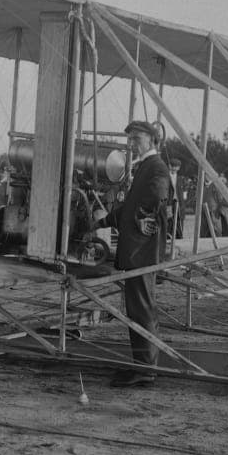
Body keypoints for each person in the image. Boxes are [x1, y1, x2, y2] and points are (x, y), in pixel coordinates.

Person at [95, 120, 171, 387]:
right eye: (130, 140)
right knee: (137, 309)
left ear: (153, 140)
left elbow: (156, 197)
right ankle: (140, 365)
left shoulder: (156, 167)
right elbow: (130, 208)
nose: (132, 144)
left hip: (143, 253)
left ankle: (147, 370)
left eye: (137, 138)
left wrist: (141, 220)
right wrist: (103, 221)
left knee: (142, 309)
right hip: (137, 252)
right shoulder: (144, 168)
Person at [166, 158, 186, 246]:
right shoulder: (166, 177)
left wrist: (183, 201)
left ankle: (180, 238)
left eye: (176, 167)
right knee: (169, 220)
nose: (174, 169)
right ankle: (167, 238)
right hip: (169, 203)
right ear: (169, 166)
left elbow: (183, 192)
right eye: (172, 166)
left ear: (179, 168)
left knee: (179, 220)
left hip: (179, 203)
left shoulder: (180, 178)